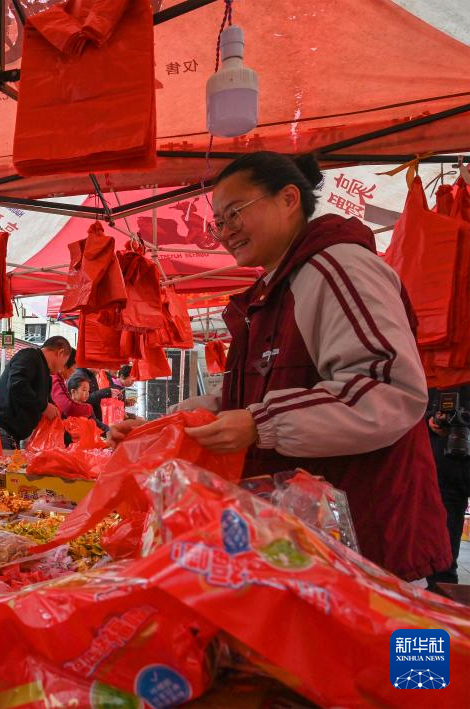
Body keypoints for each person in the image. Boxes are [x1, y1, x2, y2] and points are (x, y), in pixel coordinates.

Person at [119, 150, 449, 581]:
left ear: (289, 198)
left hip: (368, 546)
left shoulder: (339, 267)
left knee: (385, 650)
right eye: (218, 221)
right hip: (304, 544)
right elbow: (253, 394)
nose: (225, 231)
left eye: (234, 212)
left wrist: (261, 422)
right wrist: (167, 426)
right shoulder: (273, 288)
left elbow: (388, 389)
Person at [0, 336, 74, 449]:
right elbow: (17, 385)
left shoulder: (45, 372)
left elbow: (50, 407)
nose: (62, 367)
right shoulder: (30, 356)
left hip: (13, 436)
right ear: (60, 353)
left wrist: (70, 438)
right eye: (65, 361)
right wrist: (44, 407)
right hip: (2, 432)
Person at [425, 386, 470, 588]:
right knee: (443, 538)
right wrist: (431, 420)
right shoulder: (437, 373)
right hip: (446, 465)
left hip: (448, 467)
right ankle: (442, 593)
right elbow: (412, 408)